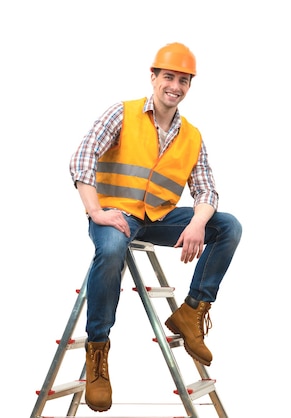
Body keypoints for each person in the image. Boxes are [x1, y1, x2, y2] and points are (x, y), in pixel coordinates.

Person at [68, 42, 242, 412]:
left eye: (183, 80)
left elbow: (206, 188)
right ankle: (97, 352)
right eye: (168, 77)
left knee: (227, 226)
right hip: (117, 216)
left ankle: (192, 311)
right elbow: (82, 157)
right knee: (112, 248)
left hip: (158, 220)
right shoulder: (124, 113)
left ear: (189, 85)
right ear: (154, 77)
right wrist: (96, 211)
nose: (175, 86)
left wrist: (197, 222)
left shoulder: (192, 135)